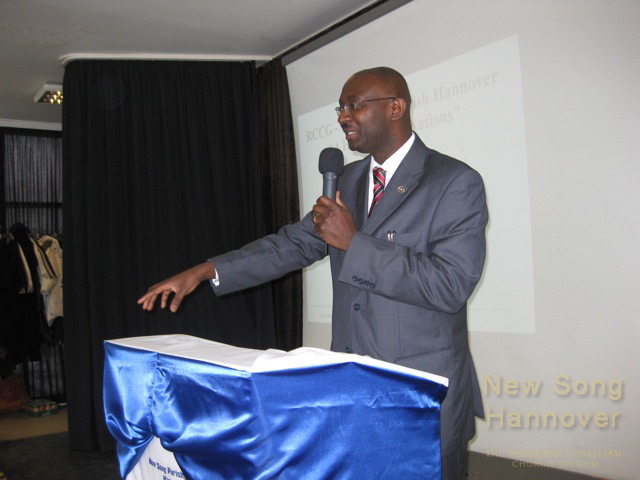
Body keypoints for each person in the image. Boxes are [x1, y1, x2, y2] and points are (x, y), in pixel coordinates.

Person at [138, 67, 488, 479]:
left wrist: (353, 243)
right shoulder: (349, 180)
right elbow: (293, 244)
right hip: (352, 386)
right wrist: (207, 269)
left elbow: (450, 285)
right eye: (340, 108)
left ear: (396, 107)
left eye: (354, 105)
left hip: (419, 391)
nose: (343, 117)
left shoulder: (452, 181)